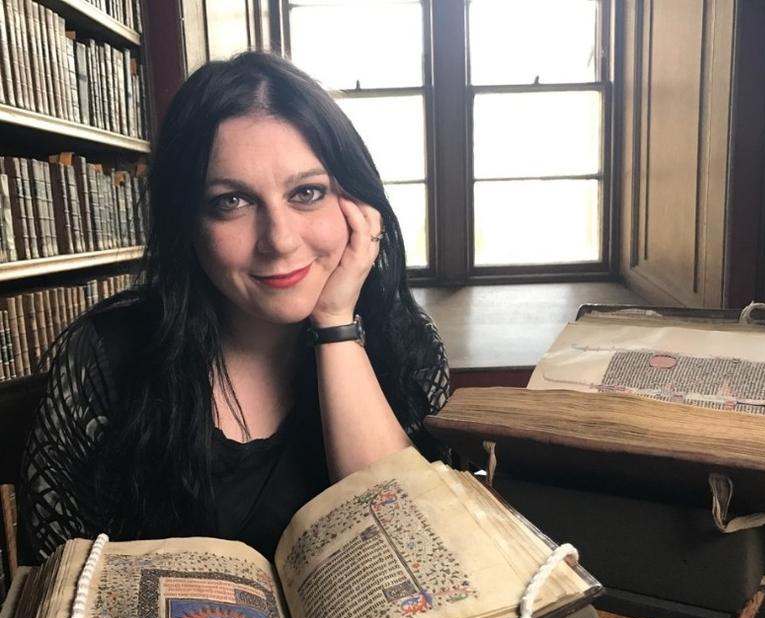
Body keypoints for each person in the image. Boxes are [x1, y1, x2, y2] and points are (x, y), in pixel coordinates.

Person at [19, 51, 449, 564]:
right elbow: (60, 575)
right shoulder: (106, 358)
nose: (280, 240)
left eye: (307, 192)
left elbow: (408, 549)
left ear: (357, 205)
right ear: (188, 224)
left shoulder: (402, 341)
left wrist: (335, 325)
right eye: (231, 201)